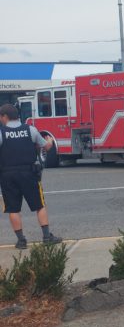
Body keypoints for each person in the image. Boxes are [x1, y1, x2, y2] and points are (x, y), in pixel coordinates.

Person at [0, 103, 61, 249]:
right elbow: (46, 147)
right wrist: (50, 141)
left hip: (8, 175)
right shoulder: (30, 130)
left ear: (5, 117)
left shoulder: (1, 133)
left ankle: (21, 241)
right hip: (29, 173)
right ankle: (47, 236)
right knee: (39, 205)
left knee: (13, 209)